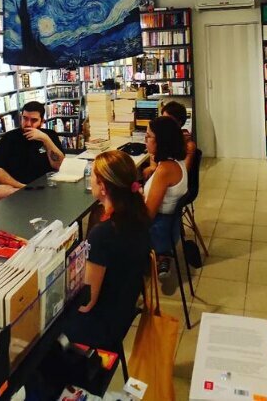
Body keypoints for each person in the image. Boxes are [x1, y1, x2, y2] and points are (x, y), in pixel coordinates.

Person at [62, 150, 151, 350]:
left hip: (100, 327)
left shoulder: (102, 234)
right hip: (122, 312)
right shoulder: (138, 215)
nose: (90, 180)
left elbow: (86, 303)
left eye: (92, 176)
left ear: (102, 187)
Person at [143, 116, 188, 290]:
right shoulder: (175, 162)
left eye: (148, 136)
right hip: (169, 227)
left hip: (158, 230)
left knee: (102, 223)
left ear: (161, 140)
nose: (145, 140)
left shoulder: (165, 170)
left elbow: (148, 216)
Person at [0, 101, 64, 201]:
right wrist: (22, 187)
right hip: (12, 186)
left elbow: (59, 165)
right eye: (25, 118)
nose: (28, 124)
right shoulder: (9, 138)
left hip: (41, 187)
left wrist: (46, 140)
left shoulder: (50, 135)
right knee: (11, 193)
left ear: (42, 121)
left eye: (34, 120)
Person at [142, 100, 196, 181]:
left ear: (178, 122)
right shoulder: (162, 138)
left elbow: (183, 174)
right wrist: (153, 166)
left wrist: (157, 169)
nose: (164, 123)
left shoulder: (188, 145)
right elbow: (153, 156)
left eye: (168, 120)